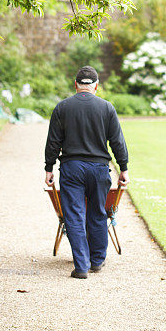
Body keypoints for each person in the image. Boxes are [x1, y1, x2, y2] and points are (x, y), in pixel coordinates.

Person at [44, 65, 130, 280]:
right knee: (98, 212)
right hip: (99, 168)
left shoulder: (62, 108)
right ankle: (97, 260)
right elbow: (117, 141)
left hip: (72, 168)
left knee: (74, 215)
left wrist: (49, 168)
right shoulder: (107, 108)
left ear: (76, 85)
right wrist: (124, 168)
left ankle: (81, 265)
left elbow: (53, 142)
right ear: (96, 86)